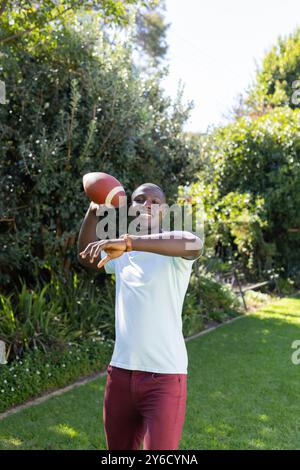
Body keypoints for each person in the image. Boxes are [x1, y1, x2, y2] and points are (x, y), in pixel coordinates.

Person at [78, 183, 203, 450]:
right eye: (140, 199)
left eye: (155, 201)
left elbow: (194, 244)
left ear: (165, 210)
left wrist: (128, 242)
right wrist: (94, 209)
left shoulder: (173, 248)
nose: (148, 204)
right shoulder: (121, 253)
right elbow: (87, 255)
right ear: (131, 208)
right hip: (121, 374)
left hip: (165, 377)